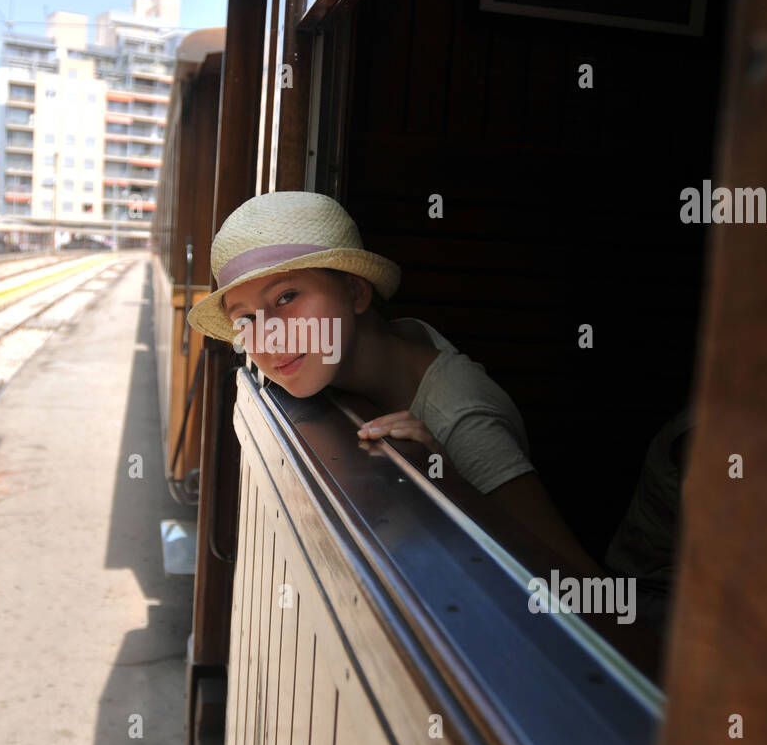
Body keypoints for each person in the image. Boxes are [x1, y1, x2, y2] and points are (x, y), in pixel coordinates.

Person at [186, 191, 600, 578]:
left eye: (287, 297)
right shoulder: (395, 341)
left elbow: (576, 584)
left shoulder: (461, 419)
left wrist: (445, 489)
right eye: (246, 319)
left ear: (355, 291)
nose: (268, 337)